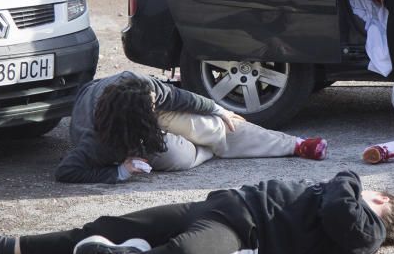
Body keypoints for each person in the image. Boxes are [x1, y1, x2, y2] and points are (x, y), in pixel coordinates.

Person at [0, 170, 394, 254]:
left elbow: (341, 210)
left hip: (245, 238)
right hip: (220, 206)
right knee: (108, 222)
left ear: (383, 204)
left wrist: (351, 177)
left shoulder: (368, 233)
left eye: (373, 194)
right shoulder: (343, 200)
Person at [55, 71, 327, 184]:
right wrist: (120, 171)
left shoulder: (140, 85)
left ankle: (295, 144)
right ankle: (210, 150)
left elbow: (178, 98)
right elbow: (67, 171)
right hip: (125, 129)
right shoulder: (98, 141)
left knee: (210, 124)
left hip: (130, 114)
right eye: (152, 106)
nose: (157, 104)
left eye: (154, 102)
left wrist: (220, 110)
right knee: (177, 156)